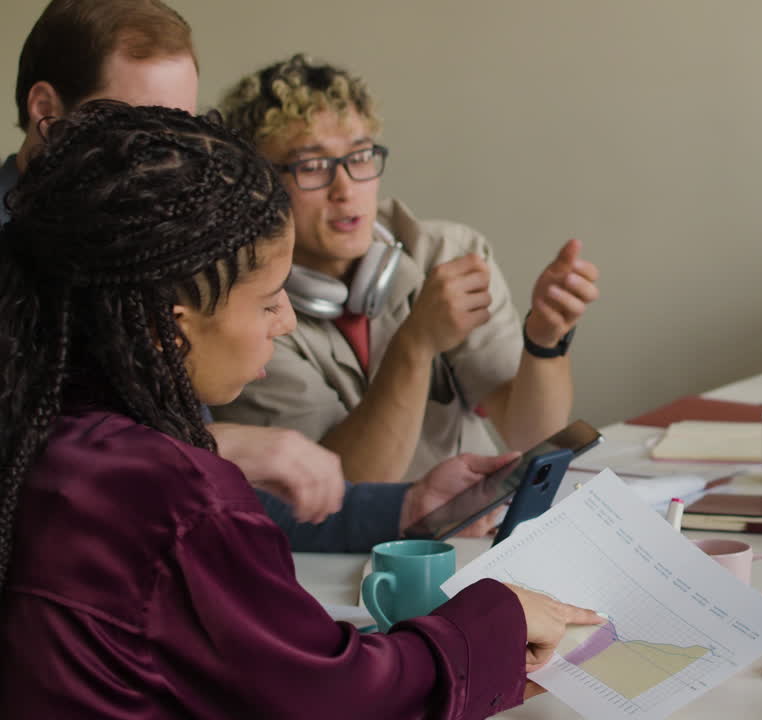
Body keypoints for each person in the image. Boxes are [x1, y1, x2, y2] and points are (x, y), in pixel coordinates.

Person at [0, 100, 602, 716]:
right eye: (266, 303)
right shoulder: (183, 499)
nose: (285, 321)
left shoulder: (37, 428)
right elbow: (338, 700)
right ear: (165, 328)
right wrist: (497, 615)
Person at [4, 0, 498, 552]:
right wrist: (208, 446)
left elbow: (215, 493)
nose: (177, 156)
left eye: (183, 125)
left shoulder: (162, 246)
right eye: (140, 128)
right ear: (47, 110)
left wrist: (404, 509)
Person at [213, 55, 601, 487]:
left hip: (474, 525)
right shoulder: (245, 307)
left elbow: (531, 437)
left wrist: (545, 342)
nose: (346, 189)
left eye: (359, 157)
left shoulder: (448, 254)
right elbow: (338, 490)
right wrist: (415, 345)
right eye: (312, 166)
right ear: (256, 185)